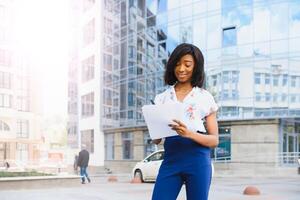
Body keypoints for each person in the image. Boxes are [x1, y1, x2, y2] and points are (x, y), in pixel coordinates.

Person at [151, 43, 219, 200]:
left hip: (198, 160)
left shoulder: (205, 97)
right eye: (177, 64)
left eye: (187, 64)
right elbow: (157, 139)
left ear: (196, 67)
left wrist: (188, 133)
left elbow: (214, 140)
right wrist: (154, 124)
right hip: (171, 159)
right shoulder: (161, 98)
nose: (181, 69)